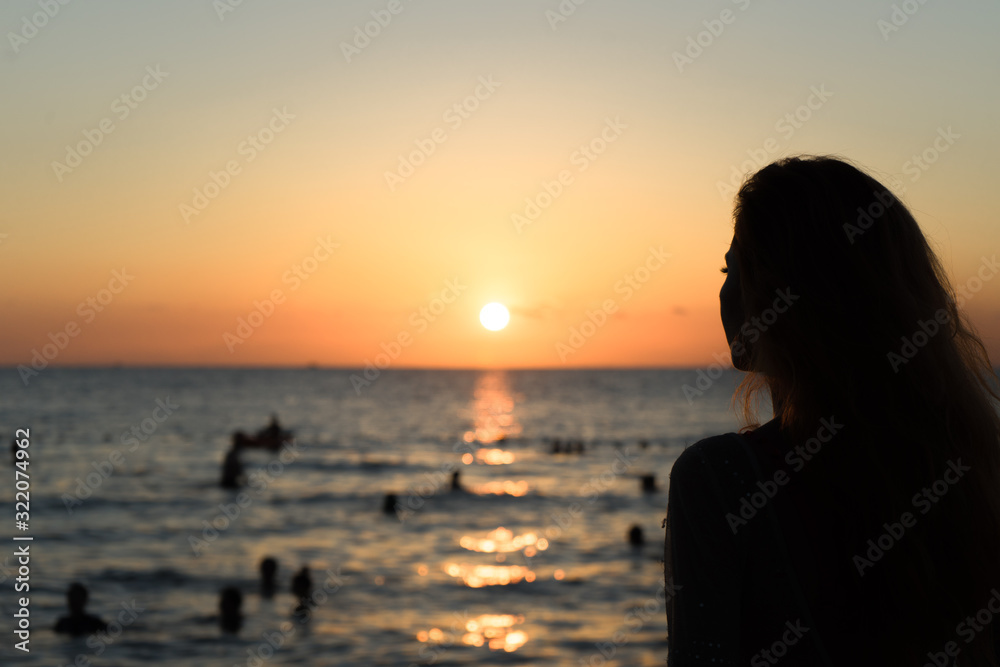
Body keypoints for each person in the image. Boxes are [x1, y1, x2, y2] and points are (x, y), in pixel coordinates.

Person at [665, 156, 1000, 665]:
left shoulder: (721, 479)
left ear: (782, 295)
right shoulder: (975, 469)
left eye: (735, 269)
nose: (725, 290)